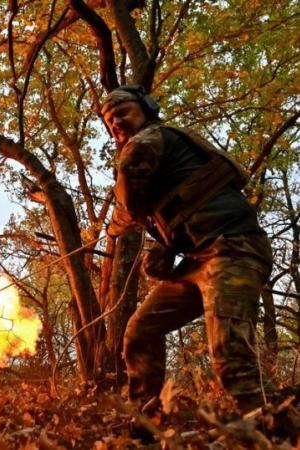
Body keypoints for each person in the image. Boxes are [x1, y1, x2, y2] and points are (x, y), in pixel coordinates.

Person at [101, 85, 274, 415]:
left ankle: (271, 434)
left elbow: (127, 201)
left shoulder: (148, 140)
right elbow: (164, 210)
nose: (116, 123)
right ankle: (145, 426)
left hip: (234, 250)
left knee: (230, 354)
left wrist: (111, 228)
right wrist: (162, 247)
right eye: (110, 121)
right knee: (141, 330)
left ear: (147, 109)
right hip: (200, 262)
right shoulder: (157, 160)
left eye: (122, 112)